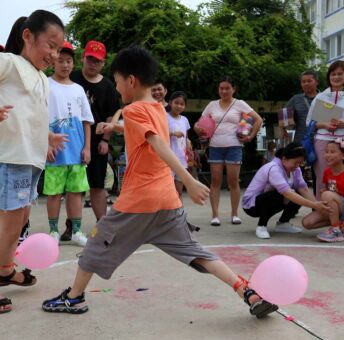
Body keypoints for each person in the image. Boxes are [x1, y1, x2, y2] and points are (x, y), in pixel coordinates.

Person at [41, 45, 279, 319]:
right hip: (167, 202)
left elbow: (154, 141)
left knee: (94, 245)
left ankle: (74, 298)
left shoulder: (132, 110)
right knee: (197, 253)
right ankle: (247, 291)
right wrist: (115, 127)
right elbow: (147, 131)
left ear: (131, 81)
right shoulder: (157, 109)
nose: (117, 89)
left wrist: (188, 179)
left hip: (137, 202)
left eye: (117, 83)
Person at [0, 10, 67, 314]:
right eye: (51, 45)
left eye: (60, 49)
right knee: (9, 228)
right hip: (9, 160)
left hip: (30, 161)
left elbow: (30, 114)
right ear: (28, 36)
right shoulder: (5, 61)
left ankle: (6, 269)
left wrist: (48, 137)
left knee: (19, 224)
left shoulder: (41, 79)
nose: (54, 54)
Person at [194, 77, 264, 226]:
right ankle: (215, 215)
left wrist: (251, 136)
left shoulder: (239, 104)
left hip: (234, 146)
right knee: (215, 181)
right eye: (221, 88)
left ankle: (234, 214)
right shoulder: (212, 105)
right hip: (215, 147)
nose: (224, 91)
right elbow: (198, 123)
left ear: (233, 89)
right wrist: (197, 129)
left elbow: (257, 119)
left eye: (227, 88)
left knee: (233, 181)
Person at [44, 41, 93, 247]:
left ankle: (76, 231)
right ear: (53, 61)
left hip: (76, 151)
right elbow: (38, 118)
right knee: (54, 193)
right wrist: (46, 145)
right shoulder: (45, 84)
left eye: (69, 61)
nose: (65, 65)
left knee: (75, 192)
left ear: (74, 64)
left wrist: (87, 147)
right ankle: (53, 231)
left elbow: (86, 121)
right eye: (61, 61)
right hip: (55, 151)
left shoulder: (79, 89)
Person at [69, 40, 120, 230]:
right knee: (74, 187)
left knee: (97, 185)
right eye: (90, 59)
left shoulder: (108, 86)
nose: (93, 63)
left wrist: (106, 139)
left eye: (97, 61)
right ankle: (72, 227)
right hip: (72, 139)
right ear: (83, 58)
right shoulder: (72, 78)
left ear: (103, 63)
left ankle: (102, 226)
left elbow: (112, 115)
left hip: (98, 141)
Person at [243, 142, 331, 239]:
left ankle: (283, 223)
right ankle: (261, 226)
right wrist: (314, 205)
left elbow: (304, 189)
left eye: (300, 163)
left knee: (297, 193)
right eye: (295, 162)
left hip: (273, 198)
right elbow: (287, 193)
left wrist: (318, 206)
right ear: (284, 159)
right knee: (278, 195)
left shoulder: (296, 170)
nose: (298, 166)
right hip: (252, 206)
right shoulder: (274, 168)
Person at [306, 60, 344, 197]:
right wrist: (324, 125)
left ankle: (341, 211)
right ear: (328, 77)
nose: (336, 77)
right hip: (322, 142)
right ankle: (322, 211)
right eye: (333, 74)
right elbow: (309, 122)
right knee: (322, 179)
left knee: (343, 178)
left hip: (343, 142)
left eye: (340, 74)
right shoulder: (320, 97)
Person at [302, 141, 344, 242]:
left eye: (332, 152)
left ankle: (336, 231)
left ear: (343, 155)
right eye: (326, 151)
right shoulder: (327, 172)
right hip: (337, 205)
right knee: (307, 223)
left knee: (327, 195)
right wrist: (325, 191)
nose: (328, 155)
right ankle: (338, 224)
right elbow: (330, 190)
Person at [283, 70, 319, 143]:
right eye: (303, 81)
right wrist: (283, 130)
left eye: (309, 81)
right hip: (301, 139)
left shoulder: (325, 98)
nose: (306, 84)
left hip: (321, 139)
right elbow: (284, 117)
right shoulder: (295, 99)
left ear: (317, 82)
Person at [167, 91, 191, 197]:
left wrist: (188, 143)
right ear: (170, 102)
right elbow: (158, 134)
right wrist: (172, 133)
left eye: (182, 104)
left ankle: (179, 212)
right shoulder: (164, 117)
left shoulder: (185, 120)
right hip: (168, 159)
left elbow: (186, 137)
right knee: (168, 190)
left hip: (181, 159)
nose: (179, 106)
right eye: (176, 103)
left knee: (179, 191)